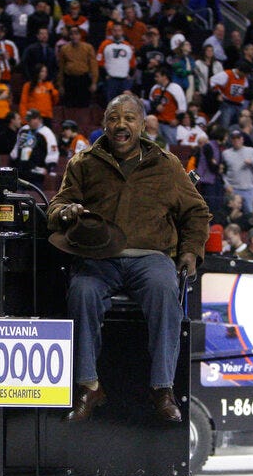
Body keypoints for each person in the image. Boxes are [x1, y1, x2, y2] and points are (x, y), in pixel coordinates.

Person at [47, 94, 209, 423]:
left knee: (165, 290)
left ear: (142, 124)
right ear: (104, 123)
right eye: (113, 118)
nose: (121, 125)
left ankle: (163, 389)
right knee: (82, 292)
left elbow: (196, 211)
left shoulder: (166, 164)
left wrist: (191, 251)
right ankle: (88, 386)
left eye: (129, 118)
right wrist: (65, 212)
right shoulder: (83, 162)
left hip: (151, 256)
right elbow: (56, 207)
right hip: (99, 258)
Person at [221, 128, 253, 215]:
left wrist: (252, 162)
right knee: (232, 213)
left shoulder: (251, 151)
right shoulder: (226, 153)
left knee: (250, 213)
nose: (236, 140)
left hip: (249, 189)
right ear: (231, 140)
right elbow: (222, 172)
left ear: (242, 139)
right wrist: (226, 185)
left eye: (238, 138)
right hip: (233, 189)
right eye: (234, 138)